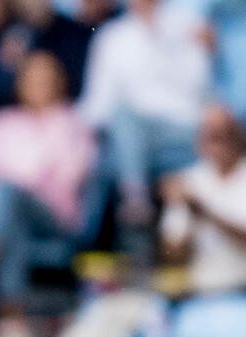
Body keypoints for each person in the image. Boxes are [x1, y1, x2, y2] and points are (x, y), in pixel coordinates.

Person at [0, 51, 97, 321]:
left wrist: (18, 182)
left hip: (53, 219)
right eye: (34, 79)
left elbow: (71, 177)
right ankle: (14, 317)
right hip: (3, 217)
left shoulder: (72, 123)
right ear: (20, 83)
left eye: (47, 79)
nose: (41, 86)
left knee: (7, 194)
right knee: (8, 213)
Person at [77, 0, 210, 225]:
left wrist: (160, 40)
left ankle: (135, 197)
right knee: (119, 129)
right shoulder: (112, 36)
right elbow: (97, 99)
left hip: (181, 130)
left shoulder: (190, 28)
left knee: (118, 158)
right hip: (131, 131)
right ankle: (136, 200)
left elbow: (199, 88)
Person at [158, 104, 246, 299]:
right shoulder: (191, 180)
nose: (219, 145)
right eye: (212, 137)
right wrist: (189, 215)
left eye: (225, 136)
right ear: (200, 143)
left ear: (240, 138)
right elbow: (173, 256)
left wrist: (203, 212)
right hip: (204, 291)